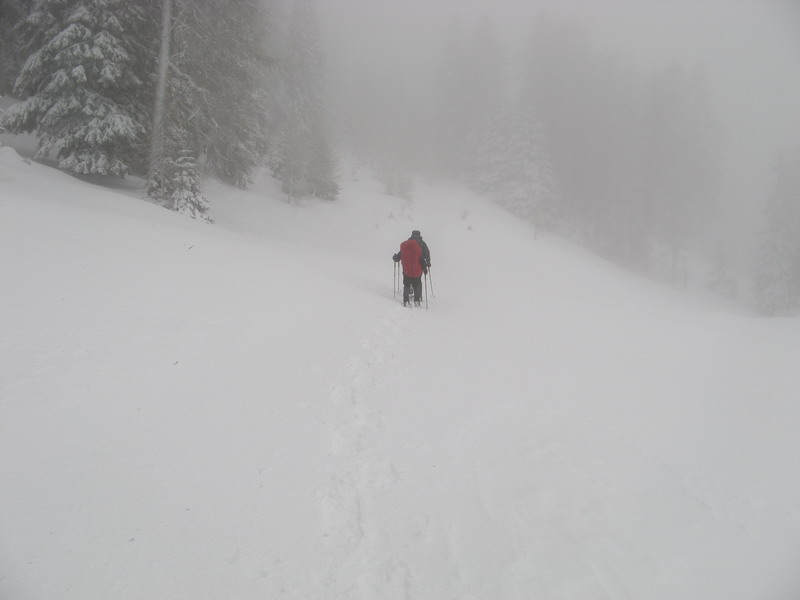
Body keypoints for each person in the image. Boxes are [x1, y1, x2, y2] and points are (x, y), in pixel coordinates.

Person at [393, 230, 432, 306]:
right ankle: (418, 298)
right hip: (418, 267)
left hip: (407, 267)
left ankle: (406, 299)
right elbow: (426, 253)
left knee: (407, 283)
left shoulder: (407, 243)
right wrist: (427, 263)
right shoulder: (422, 243)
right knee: (417, 282)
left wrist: (396, 258)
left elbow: (401, 253)